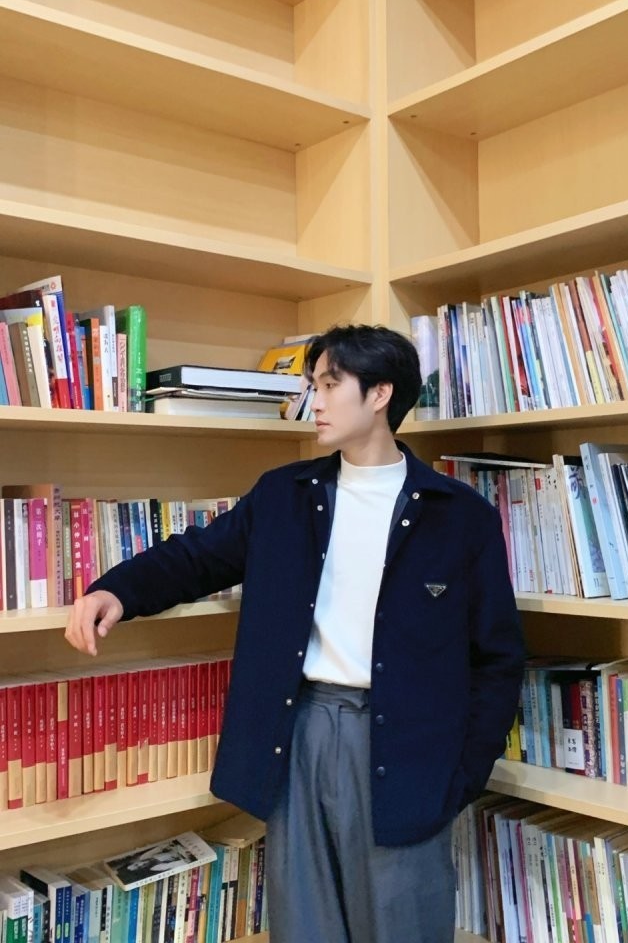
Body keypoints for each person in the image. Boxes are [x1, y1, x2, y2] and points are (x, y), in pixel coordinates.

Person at [65, 323, 525, 943]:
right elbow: (198, 557)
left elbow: (497, 658)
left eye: (331, 385)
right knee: (305, 920)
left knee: (402, 918)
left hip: (408, 745)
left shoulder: (460, 516)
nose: (316, 401)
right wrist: (116, 591)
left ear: (380, 394)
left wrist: (463, 774)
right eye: (314, 385)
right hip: (298, 728)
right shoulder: (284, 494)